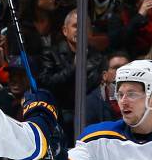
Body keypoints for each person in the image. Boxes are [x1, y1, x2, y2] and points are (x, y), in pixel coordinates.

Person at [39, 9, 105, 139]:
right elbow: (47, 83)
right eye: (75, 26)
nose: (80, 30)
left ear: (90, 32)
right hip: (61, 113)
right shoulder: (51, 54)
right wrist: (74, 68)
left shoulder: (98, 57)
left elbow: (95, 86)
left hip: (89, 112)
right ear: (65, 30)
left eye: (84, 27)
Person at [9, 0, 58, 74]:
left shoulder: (58, 22)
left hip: (59, 75)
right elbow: (15, 61)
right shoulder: (18, 27)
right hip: (28, 77)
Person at [86, 50, 130, 124]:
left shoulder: (140, 97)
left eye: (126, 67)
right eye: (117, 68)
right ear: (105, 75)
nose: (123, 71)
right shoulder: (91, 102)